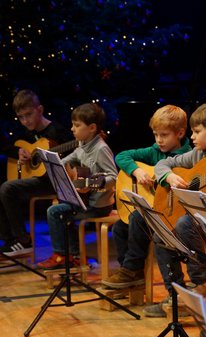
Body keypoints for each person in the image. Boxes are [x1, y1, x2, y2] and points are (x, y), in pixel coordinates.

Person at [143, 99, 206, 317]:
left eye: (196, 131)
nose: (192, 137)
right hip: (194, 220)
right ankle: (174, 295)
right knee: (162, 231)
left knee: (185, 223)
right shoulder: (198, 154)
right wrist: (170, 176)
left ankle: (201, 284)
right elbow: (163, 164)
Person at [101, 104, 191, 288]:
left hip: (171, 215)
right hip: (154, 212)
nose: (159, 140)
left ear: (180, 133)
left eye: (164, 135)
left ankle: (132, 268)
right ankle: (130, 273)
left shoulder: (188, 157)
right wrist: (137, 172)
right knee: (119, 227)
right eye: (156, 135)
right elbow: (122, 156)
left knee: (137, 216)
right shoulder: (154, 152)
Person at [36, 103, 118, 269]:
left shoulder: (100, 149)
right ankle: (73, 256)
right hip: (87, 201)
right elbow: (71, 158)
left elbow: (114, 177)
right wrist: (55, 164)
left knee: (56, 212)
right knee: (61, 211)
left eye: (77, 125)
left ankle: (63, 255)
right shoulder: (82, 144)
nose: (72, 129)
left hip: (98, 205)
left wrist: (92, 184)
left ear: (92, 128)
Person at [0, 89, 70, 257]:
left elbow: (71, 159)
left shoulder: (57, 132)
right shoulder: (27, 134)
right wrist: (18, 151)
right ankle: (10, 241)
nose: (25, 121)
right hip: (36, 179)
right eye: (21, 117)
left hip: (53, 181)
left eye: (28, 114)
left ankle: (23, 241)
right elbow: (7, 145)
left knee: (7, 188)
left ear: (40, 109)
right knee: (2, 187)